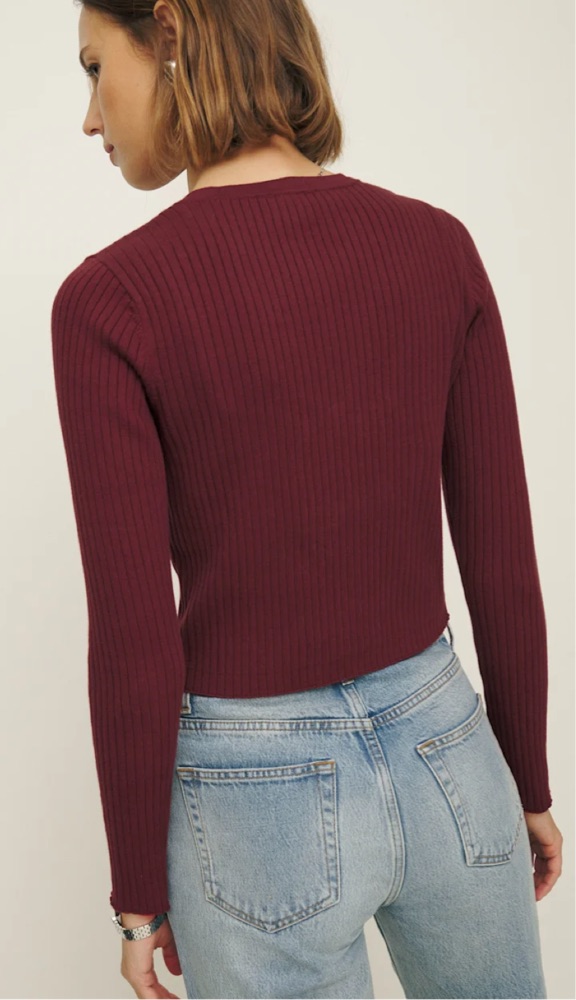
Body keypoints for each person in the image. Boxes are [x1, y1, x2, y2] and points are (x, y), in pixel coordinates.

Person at [51, 1, 564, 997]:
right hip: (448, 752)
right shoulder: (436, 247)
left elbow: (132, 634)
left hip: (252, 797)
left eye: (93, 67)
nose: (89, 116)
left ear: (169, 34)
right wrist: (526, 781)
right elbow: (500, 552)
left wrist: (138, 893)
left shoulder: (110, 301)